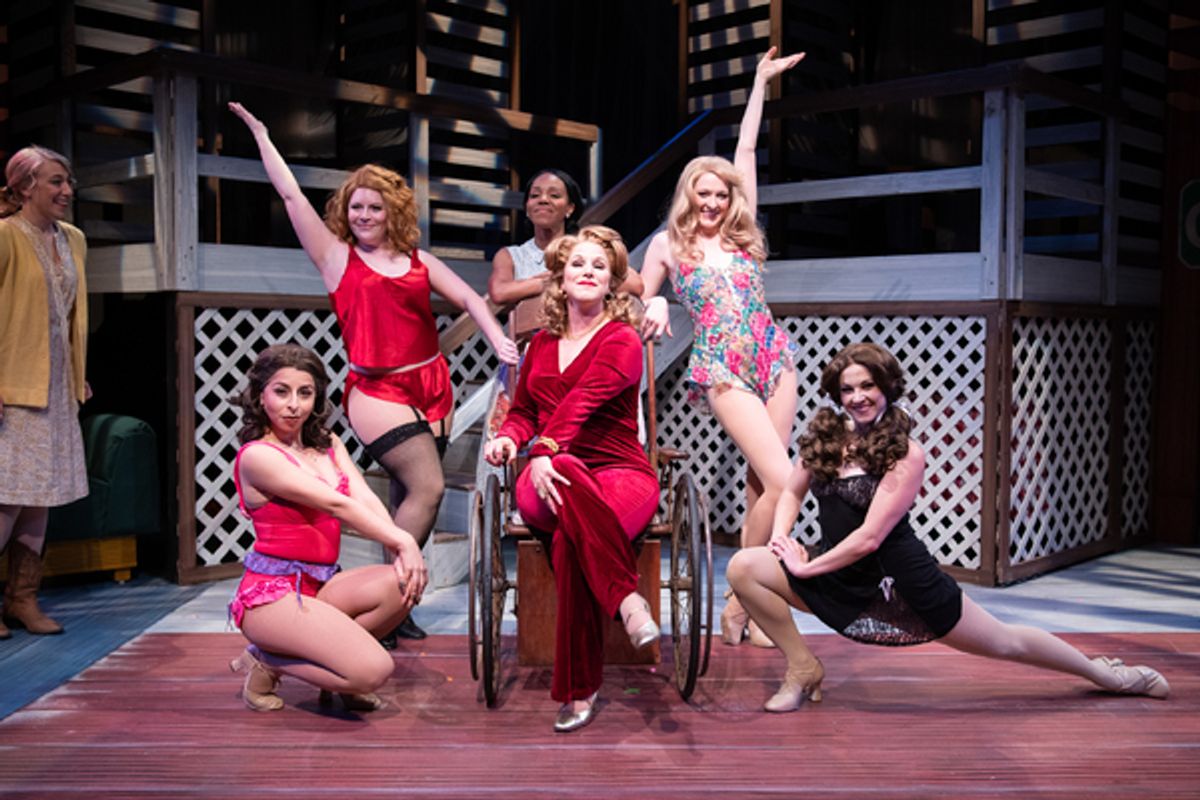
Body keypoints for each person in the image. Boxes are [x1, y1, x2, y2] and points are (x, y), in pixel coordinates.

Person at [726, 342, 1171, 712]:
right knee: (746, 566)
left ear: (886, 388)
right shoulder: (828, 436)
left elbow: (870, 538)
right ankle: (802, 668)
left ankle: (1106, 674)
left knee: (1005, 642)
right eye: (847, 389)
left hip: (899, 579)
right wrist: (783, 540)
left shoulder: (905, 452)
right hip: (835, 572)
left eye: (868, 386)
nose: (858, 396)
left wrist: (808, 568)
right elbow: (790, 491)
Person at [229, 102, 518, 642]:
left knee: (402, 499)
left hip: (431, 383)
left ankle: (393, 609)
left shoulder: (417, 260)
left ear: (393, 214)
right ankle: (395, 593)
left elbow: (468, 299)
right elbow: (291, 196)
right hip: (375, 387)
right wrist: (264, 135)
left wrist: (497, 337)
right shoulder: (336, 258)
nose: (363, 216)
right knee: (428, 487)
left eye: (374, 208)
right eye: (356, 207)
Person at [639, 48, 805, 648]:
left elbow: (746, 153)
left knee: (766, 489)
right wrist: (655, 303)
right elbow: (635, 301)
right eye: (702, 194)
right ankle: (747, 596)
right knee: (788, 482)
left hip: (773, 358)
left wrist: (760, 83)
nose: (711, 202)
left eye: (719, 195)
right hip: (723, 367)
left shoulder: (741, 233)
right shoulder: (664, 244)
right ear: (689, 195)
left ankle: (741, 607)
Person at [484, 225, 660, 733]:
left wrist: (544, 449)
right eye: (577, 264)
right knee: (562, 471)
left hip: (619, 474)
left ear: (611, 283)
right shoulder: (538, 345)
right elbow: (522, 413)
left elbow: (580, 406)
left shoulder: (622, 339)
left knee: (568, 541)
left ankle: (578, 691)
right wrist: (512, 440)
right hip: (544, 475)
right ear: (559, 278)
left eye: (598, 266)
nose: (587, 272)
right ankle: (626, 599)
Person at [227, 343, 427, 712]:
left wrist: (403, 550)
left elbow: (364, 497)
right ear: (260, 395)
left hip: (322, 583)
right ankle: (265, 661)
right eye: (281, 391)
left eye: (305, 393)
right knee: (374, 669)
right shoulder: (258, 456)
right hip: (274, 595)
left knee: (405, 581)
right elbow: (336, 503)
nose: (294, 405)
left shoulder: (328, 444)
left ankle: (342, 671)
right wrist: (403, 538)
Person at [0, 146, 90, 638]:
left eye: (68, 181)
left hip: (56, 387)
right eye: (55, 181)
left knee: (41, 498)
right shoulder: (4, 237)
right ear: (25, 187)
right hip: (12, 387)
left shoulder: (73, 239)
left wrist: (76, 370)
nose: (66, 191)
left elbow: (71, 314)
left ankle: (22, 598)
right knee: (6, 498)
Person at [488, 168, 643, 305]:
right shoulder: (511, 255)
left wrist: (565, 279)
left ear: (570, 208)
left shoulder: (587, 248)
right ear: (527, 209)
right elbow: (499, 292)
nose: (543, 200)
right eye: (535, 195)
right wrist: (548, 282)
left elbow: (636, 284)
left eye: (554, 195)